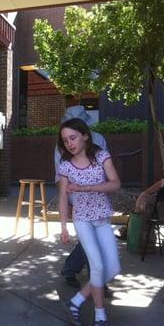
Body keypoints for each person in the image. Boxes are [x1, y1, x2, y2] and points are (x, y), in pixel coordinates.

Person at [58, 117, 121, 326]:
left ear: (84, 135)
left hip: (102, 219)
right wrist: (64, 226)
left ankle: (75, 302)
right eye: (65, 141)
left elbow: (115, 183)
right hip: (82, 220)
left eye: (73, 137)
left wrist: (86, 188)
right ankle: (100, 318)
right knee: (96, 265)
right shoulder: (66, 166)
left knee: (112, 269)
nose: (70, 143)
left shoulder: (101, 156)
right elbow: (64, 199)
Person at [55, 101, 108, 288]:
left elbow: (106, 172)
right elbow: (60, 174)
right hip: (78, 196)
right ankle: (95, 277)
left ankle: (79, 271)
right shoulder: (64, 143)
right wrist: (67, 202)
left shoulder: (99, 139)